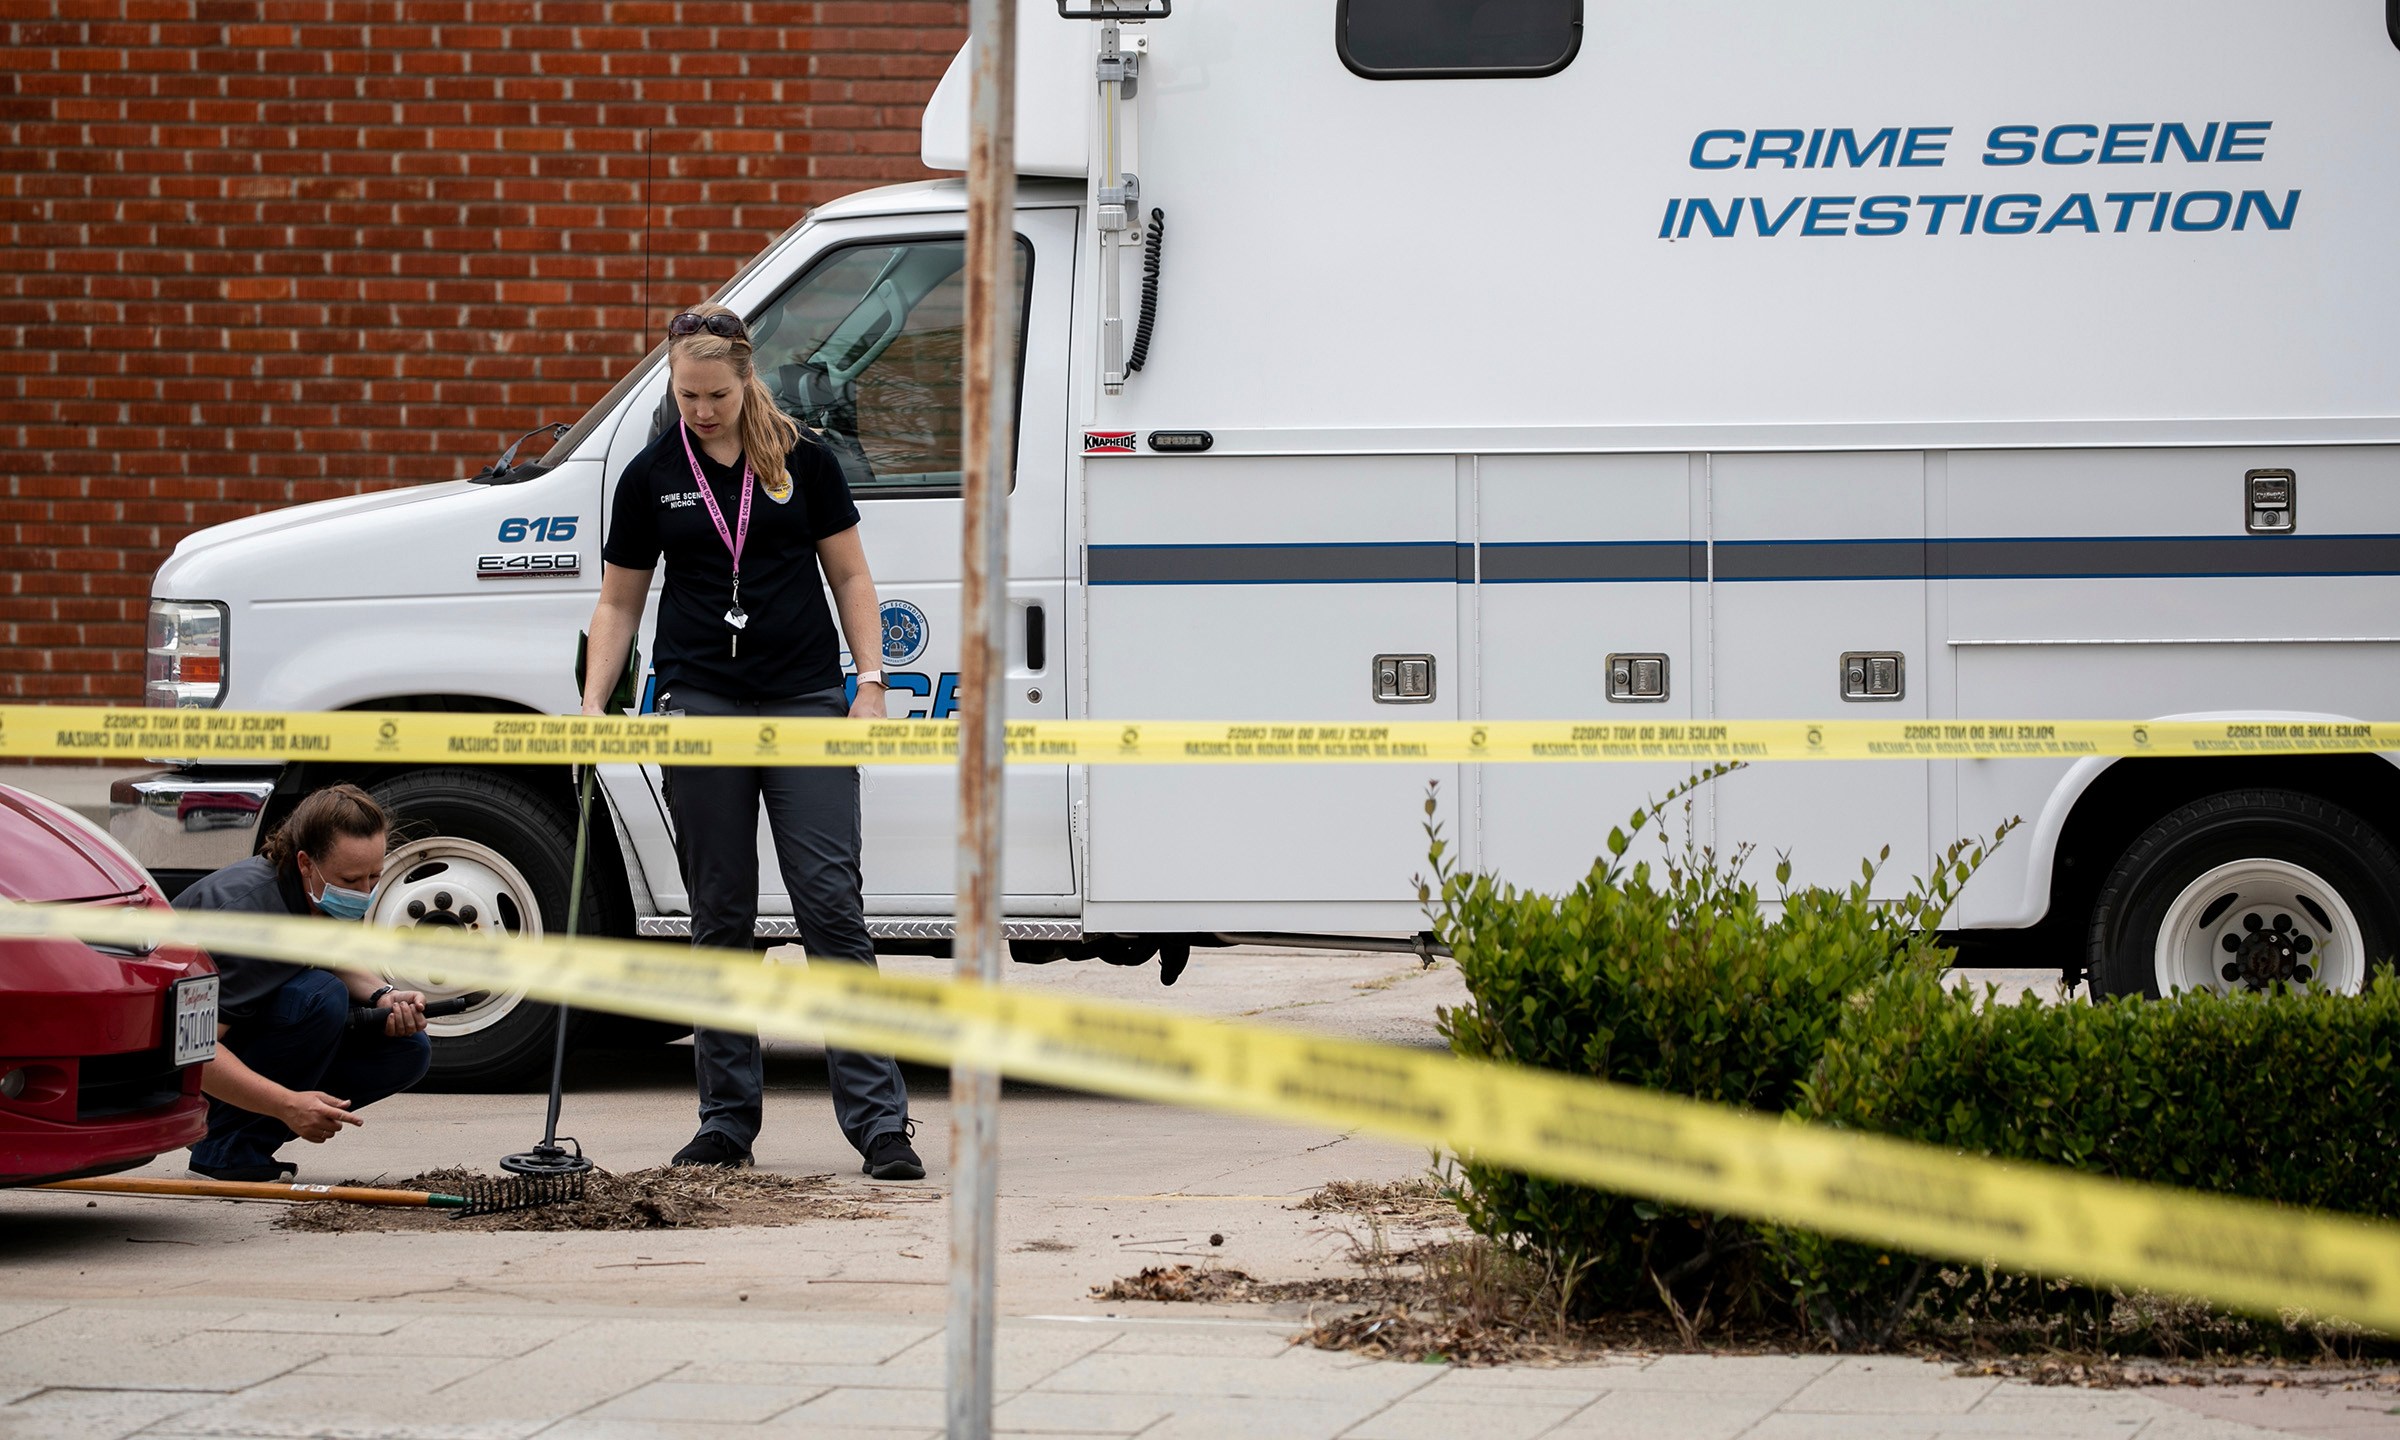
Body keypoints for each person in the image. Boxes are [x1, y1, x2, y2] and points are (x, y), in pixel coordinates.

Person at [580, 301, 924, 1180]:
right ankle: (726, 1121)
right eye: (686, 394)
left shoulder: (803, 459)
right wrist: (592, 708)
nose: (701, 410)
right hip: (701, 702)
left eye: (716, 394)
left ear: (746, 377)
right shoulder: (650, 473)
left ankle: (880, 1124)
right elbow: (619, 603)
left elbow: (850, 575)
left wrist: (872, 683)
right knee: (719, 916)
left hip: (805, 699)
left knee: (830, 909)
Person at [172, 783, 430, 1182]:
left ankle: (239, 1134)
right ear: (306, 863)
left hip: (233, 1035)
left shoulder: (318, 892)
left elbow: (329, 953)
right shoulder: (252, 923)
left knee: (407, 1048)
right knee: (320, 997)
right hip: (170, 1069)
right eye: (351, 879)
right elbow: (192, 1051)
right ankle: (223, 1148)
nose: (364, 893)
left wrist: (385, 996)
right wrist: (287, 1104)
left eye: (374, 877)